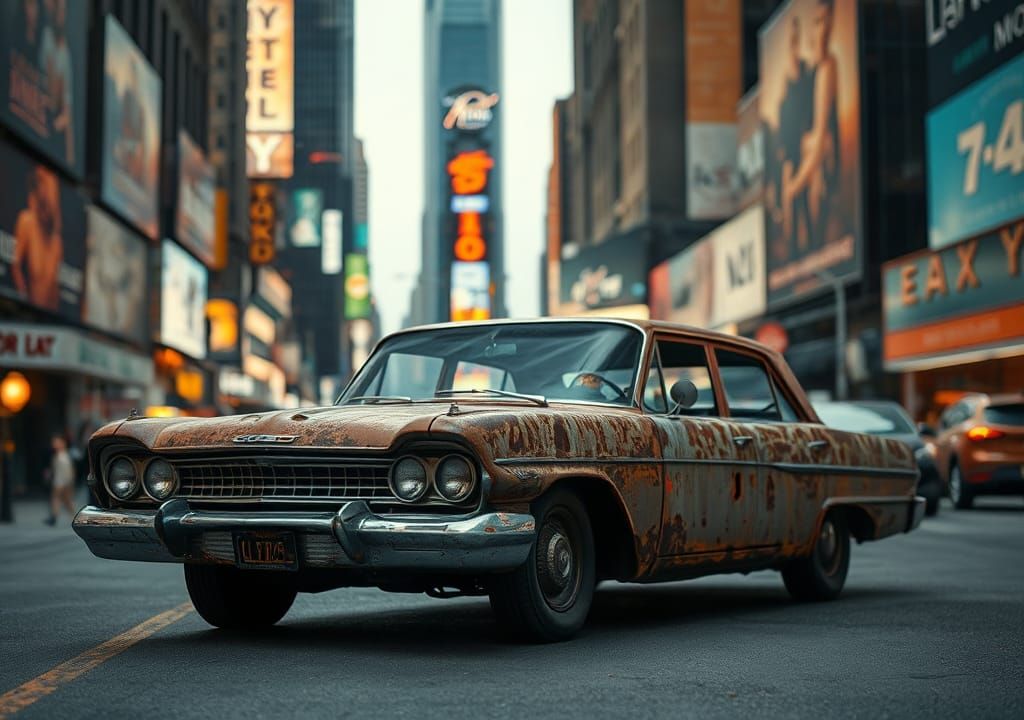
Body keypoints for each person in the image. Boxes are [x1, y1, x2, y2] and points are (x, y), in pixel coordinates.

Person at [783, 0, 841, 250]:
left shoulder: (827, 68)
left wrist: (794, 186)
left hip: (820, 167)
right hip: (811, 166)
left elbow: (819, 142)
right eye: (818, 22)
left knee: (817, 244)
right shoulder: (810, 72)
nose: (823, 30)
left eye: (827, 22)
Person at [12, 165, 64, 311]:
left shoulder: (57, 243)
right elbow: (15, 265)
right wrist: (22, 302)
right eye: (42, 183)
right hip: (25, 312)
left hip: (47, 320)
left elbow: (56, 294)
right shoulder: (26, 221)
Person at [45, 435, 75, 526]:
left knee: (57, 498)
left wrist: (69, 482)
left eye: (57, 442)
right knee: (66, 501)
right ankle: (73, 517)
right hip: (60, 481)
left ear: (63, 443)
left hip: (62, 481)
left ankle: (54, 517)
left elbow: (69, 471)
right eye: (54, 443)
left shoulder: (64, 456)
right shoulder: (58, 455)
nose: (54, 445)